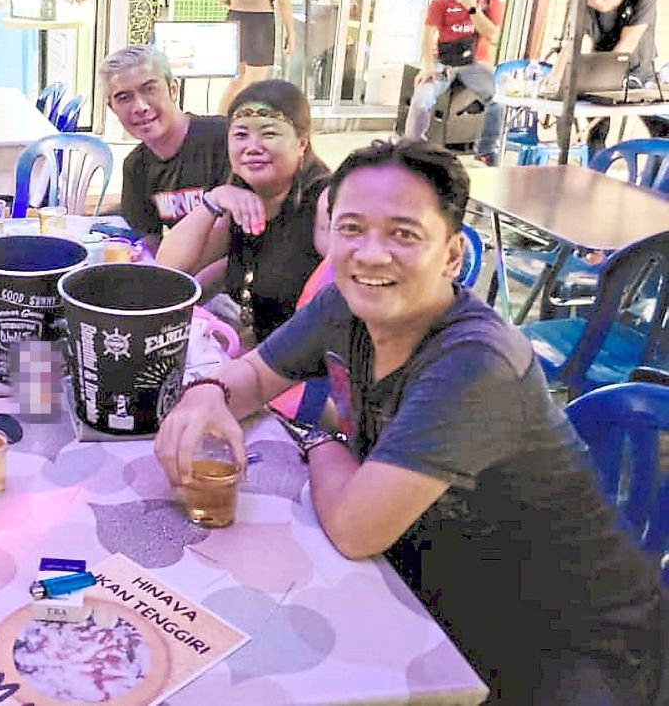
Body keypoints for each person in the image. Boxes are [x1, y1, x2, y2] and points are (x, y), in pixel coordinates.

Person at [157, 139, 663, 703]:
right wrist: (205, 394)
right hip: (428, 580)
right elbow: (250, 377)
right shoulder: (345, 305)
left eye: (403, 233)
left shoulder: (475, 362)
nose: (370, 254)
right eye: (351, 228)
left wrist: (320, 440)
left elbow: (355, 527)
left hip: (561, 647)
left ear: (450, 256)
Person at [156, 79, 330, 347]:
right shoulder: (238, 200)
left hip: (308, 370)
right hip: (260, 358)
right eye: (240, 135)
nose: (252, 146)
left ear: (302, 144)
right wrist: (214, 200)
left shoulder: (325, 202)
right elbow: (170, 266)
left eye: (269, 134)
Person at [101, 45, 230, 256]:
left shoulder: (224, 139)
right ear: (111, 107)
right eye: (124, 97)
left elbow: (228, 241)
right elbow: (149, 239)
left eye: (149, 89)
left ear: (172, 89)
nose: (140, 106)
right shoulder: (136, 166)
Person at [552, 0, 668, 157]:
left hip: (638, 72)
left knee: (660, 130)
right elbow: (572, 41)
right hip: (599, 74)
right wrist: (556, 75)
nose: (595, 0)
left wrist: (604, 77)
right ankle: (595, 169)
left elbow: (629, 41)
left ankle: (656, 179)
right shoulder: (584, 3)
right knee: (595, 131)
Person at [406, 0, 505, 166]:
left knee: (498, 100)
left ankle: (486, 151)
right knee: (422, 99)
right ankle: (411, 149)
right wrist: (428, 66)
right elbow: (428, 34)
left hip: (475, 62)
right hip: (445, 61)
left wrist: (471, 7)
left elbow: (493, 34)